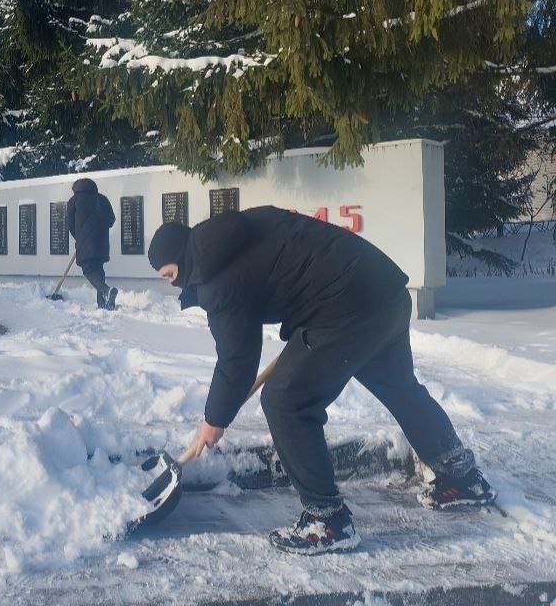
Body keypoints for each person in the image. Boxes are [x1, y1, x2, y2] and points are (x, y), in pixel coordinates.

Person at [147, 206, 494, 555]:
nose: (172, 283)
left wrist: (214, 419)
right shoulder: (238, 229)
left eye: (167, 275)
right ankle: (462, 477)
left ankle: (328, 520)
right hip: (383, 291)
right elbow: (295, 261)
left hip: (346, 308)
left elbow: (237, 361)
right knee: (399, 387)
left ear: (178, 262)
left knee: (285, 401)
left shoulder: (213, 279)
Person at [66, 178, 118, 310]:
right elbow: (111, 220)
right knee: (98, 269)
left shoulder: (74, 201)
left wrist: (79, 237)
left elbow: (70, 224)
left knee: (88, 269)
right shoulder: (102, 199)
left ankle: (105, 290)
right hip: (102, 241)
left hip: (85, 242)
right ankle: (104, 303)